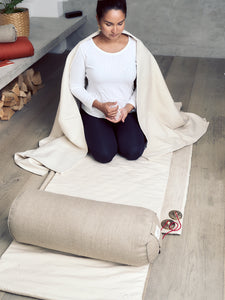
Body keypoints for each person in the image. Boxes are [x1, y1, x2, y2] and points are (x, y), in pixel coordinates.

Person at [70, 0, 146, 163]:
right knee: (104, 155)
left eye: (120, 23)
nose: (115, 30)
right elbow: (75, 86)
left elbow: (146, 84)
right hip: (95, 112)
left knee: (133, 151)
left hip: (126, 112)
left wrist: (128, 107)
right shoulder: (85, 49)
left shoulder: (135, 47)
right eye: (108, 24)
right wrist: (100, 106)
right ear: (98, 19)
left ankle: (123, 131)